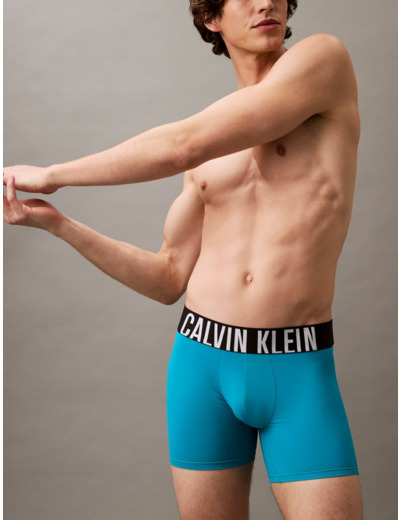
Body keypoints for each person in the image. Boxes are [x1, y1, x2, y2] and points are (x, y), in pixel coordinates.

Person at [3, 0, 363, 518]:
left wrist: (54, 175)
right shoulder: (213, 140)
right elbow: (168, 275)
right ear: (211, 19)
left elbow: (180, 146)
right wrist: (60, 225)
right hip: (202, 363)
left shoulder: (324, 60)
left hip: (298, 365)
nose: (265, 2)